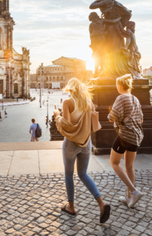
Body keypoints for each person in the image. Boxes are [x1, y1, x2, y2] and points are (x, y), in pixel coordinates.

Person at [54, 78, 110, 223]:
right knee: (83, 174)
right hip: (86, 143)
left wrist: (57, 116)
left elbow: (67, 126)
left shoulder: (68, 102)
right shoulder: (89, 103)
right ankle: (101, 203)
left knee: (68, 174)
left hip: (71, 144)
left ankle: (71, 206)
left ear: (71, 89)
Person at [108, 74, 145, 208]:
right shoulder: (135, 99)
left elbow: (112, 116)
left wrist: (110, 116)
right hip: (136, 136)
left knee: (114, 162)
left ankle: (134, 192)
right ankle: (129, 198)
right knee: (129, 166)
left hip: (124, 136)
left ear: (119, 85)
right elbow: (141, 119)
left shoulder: (121, 98)